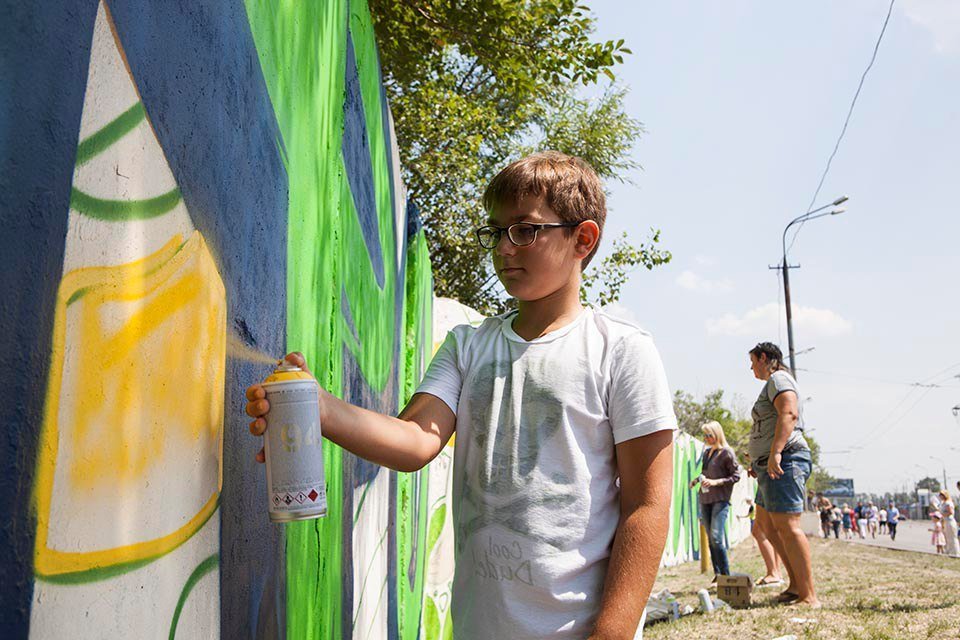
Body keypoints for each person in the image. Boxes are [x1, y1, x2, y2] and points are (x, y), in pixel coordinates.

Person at [245, 152, 678, 640]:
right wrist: (320, 408)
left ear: (582, 238)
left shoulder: (620, 350)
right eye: (495, 231)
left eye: (525, 230)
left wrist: (613, 633)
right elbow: (414, 440)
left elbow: (646, 506)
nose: (504, 248)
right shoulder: (468, 346)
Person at [746, 342, 820, 607]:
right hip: (769, 464)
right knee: (766, 526)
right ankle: (796, 585)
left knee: (788, 527)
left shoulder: (778, 378)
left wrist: (776, 452)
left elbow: (788, 413)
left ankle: (808, 595)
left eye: (753, 361)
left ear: (764, 358)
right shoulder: (772, 383)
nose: (751, 367)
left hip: (785, 459)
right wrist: (759, 458)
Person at [690, 421, 741, 584]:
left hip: (720, 500)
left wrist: (716, 482)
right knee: (711, 539)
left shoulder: (726, 453)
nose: (706, 438)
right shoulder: (707, 453)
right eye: (704, 435)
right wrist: (697, 480)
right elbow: (705, 473)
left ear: (717, 434)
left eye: (709, 435)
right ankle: (718, 573)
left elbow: (735, 476)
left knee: (716, 537)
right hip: (705, 499)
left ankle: (726, 575)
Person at [937, 490, 959, 558]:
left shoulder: (948, 503)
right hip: (944, 522)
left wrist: (942, 514)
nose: (941, 496)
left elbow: (950, 512)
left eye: (942, 495)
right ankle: (949, 551)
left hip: (950, 521)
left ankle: (955, 553)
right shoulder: (943, 503)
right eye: (940, 495)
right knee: (946, 538)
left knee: (952, 538)